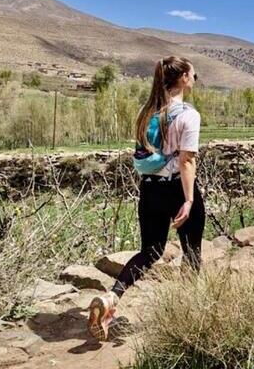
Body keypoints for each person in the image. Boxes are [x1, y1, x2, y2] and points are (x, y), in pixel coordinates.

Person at [87, 56, 204, 341]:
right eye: (193, 74)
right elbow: (187, 160)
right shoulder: (189, 114)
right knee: (191, 252)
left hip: (149, 189)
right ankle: (188, 317)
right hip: (177, 188)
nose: (194, 79)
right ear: (183, 79)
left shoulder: (146, 111)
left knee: (150, 251)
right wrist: (188, 200)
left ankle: (112, 298)